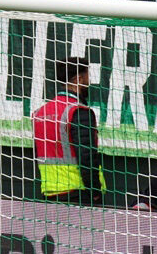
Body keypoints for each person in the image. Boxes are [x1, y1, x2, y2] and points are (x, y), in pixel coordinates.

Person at [32, 57, 105, 205]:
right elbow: (86, 156)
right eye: (87, 77)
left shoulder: (40, 113)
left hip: (49, 192)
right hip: (78, 192)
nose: (89, 82)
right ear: (78, 79)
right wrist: (95, 191)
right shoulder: (79, 111)